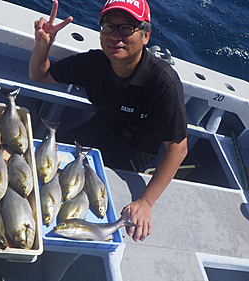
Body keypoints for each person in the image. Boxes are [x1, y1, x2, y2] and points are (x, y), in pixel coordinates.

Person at [29, 0, 188, 242]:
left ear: (145, 35)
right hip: (99, 129)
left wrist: (145, 202)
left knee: (103, 206)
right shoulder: (95, 63)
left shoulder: (164, 82)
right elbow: (39, 74)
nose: (116, 36)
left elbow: (178, 148)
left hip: (134, 150)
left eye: (126, 28)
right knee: (39, 169)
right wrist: (43, 46)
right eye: (108, 27)